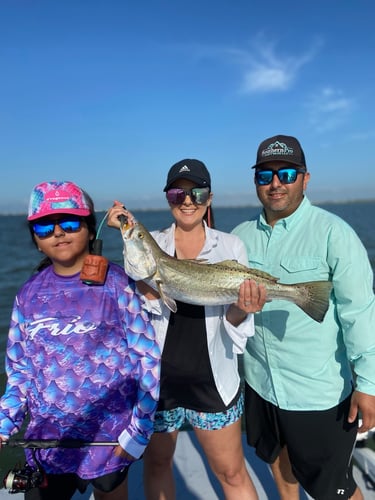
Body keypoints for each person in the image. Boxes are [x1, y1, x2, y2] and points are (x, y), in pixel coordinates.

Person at [108, 158, 267, 500]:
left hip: (213, 382)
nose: (189, 200)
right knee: (157, 466)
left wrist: (243, 307)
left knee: (231, 472)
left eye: (198, 192)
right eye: (179, 193)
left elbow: (235, 323)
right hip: (159, 382)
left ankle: (301, 293)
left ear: (209, 199)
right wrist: (124, 227)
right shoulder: (155, 246)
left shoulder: (230, 247)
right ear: (169, 198)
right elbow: (136, 268)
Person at [232, 134, 375, 500]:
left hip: (317, 391)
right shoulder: (238, 237)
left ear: (305, 178)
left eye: (287, 173)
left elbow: (360, 312)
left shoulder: (334, 233)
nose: (275, 183)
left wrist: (368, 384)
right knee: (279, 464)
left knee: (334, 489)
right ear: (256, 182)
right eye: (265, 175)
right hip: (260, 383)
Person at [0, 181, 161, 500]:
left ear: (89, 229)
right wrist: (5, 424)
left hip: (111, 442)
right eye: (45, 226)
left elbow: (147, 360)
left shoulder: (119, 285)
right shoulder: (28, 296)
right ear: (36, 239)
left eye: (70, 222)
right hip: (47, 444)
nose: (58, 232)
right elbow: (19, 372)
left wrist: (138, 433)